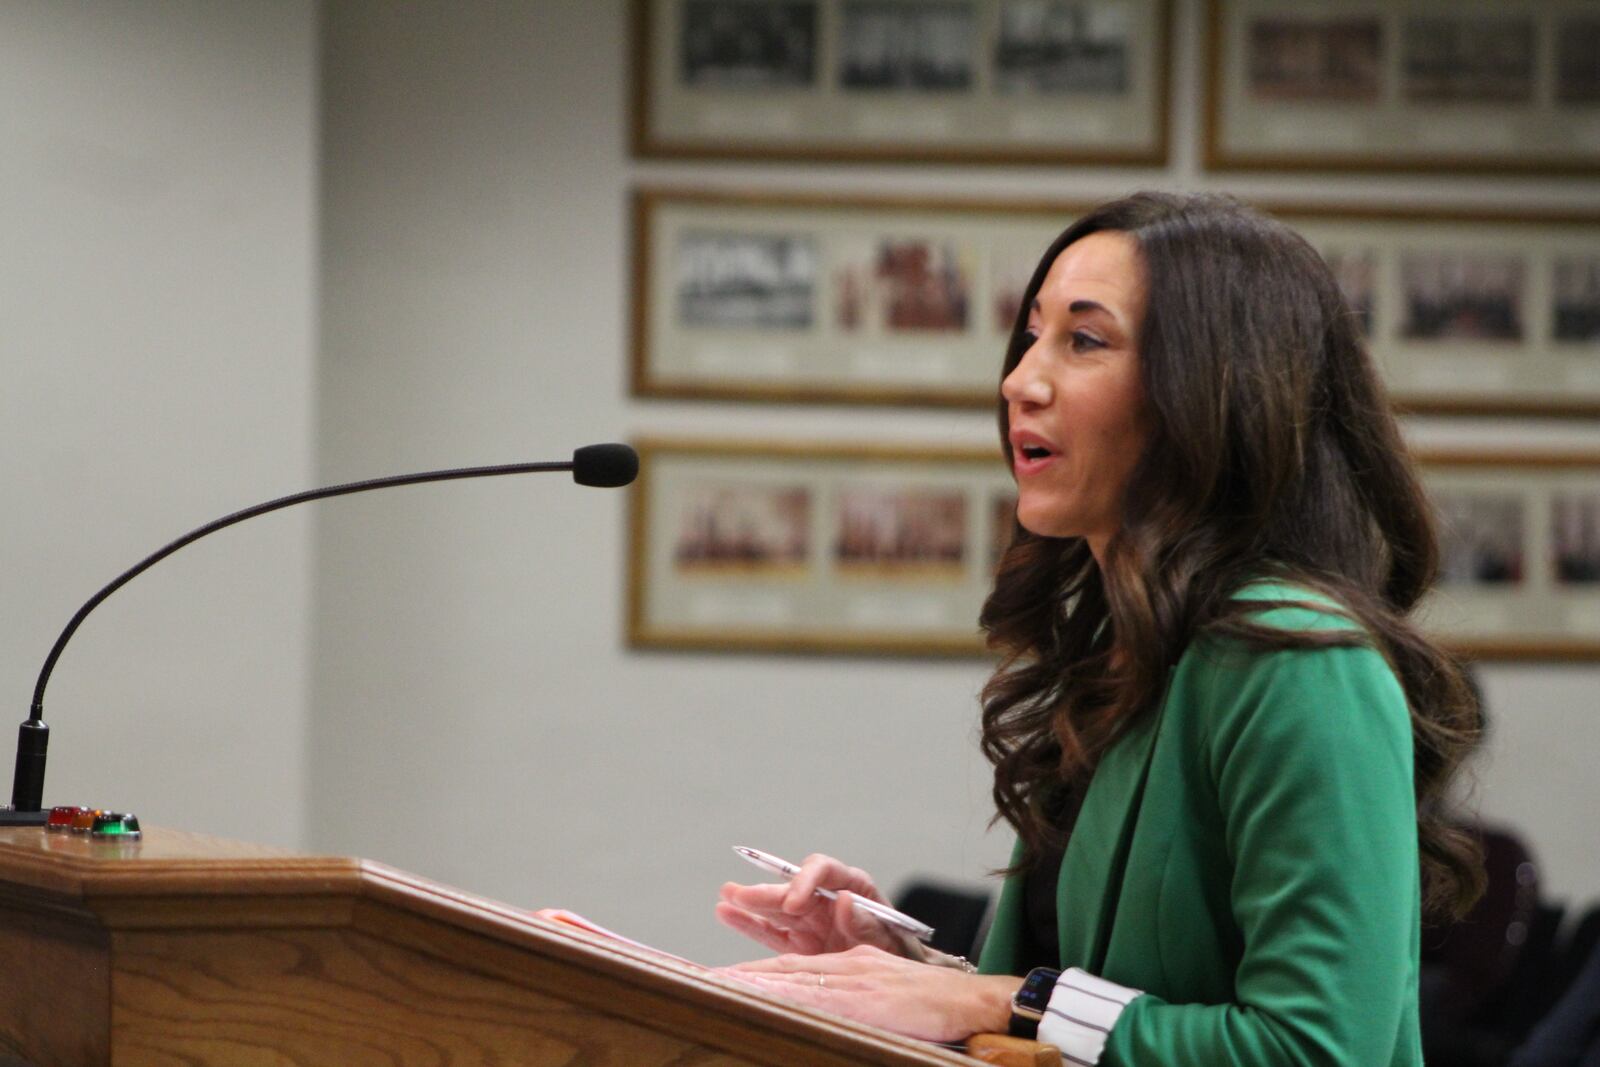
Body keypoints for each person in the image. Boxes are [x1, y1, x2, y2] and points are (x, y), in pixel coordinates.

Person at [715, 192, 1484, 1065]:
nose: (1020, 379)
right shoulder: (1131, 653)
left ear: (1209, 392)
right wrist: (897, 973)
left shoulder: (1299, 658)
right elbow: (1078, 1004)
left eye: (1084, 340)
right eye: (1032, 333)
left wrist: (1005, 998)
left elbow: (1317, 1047)